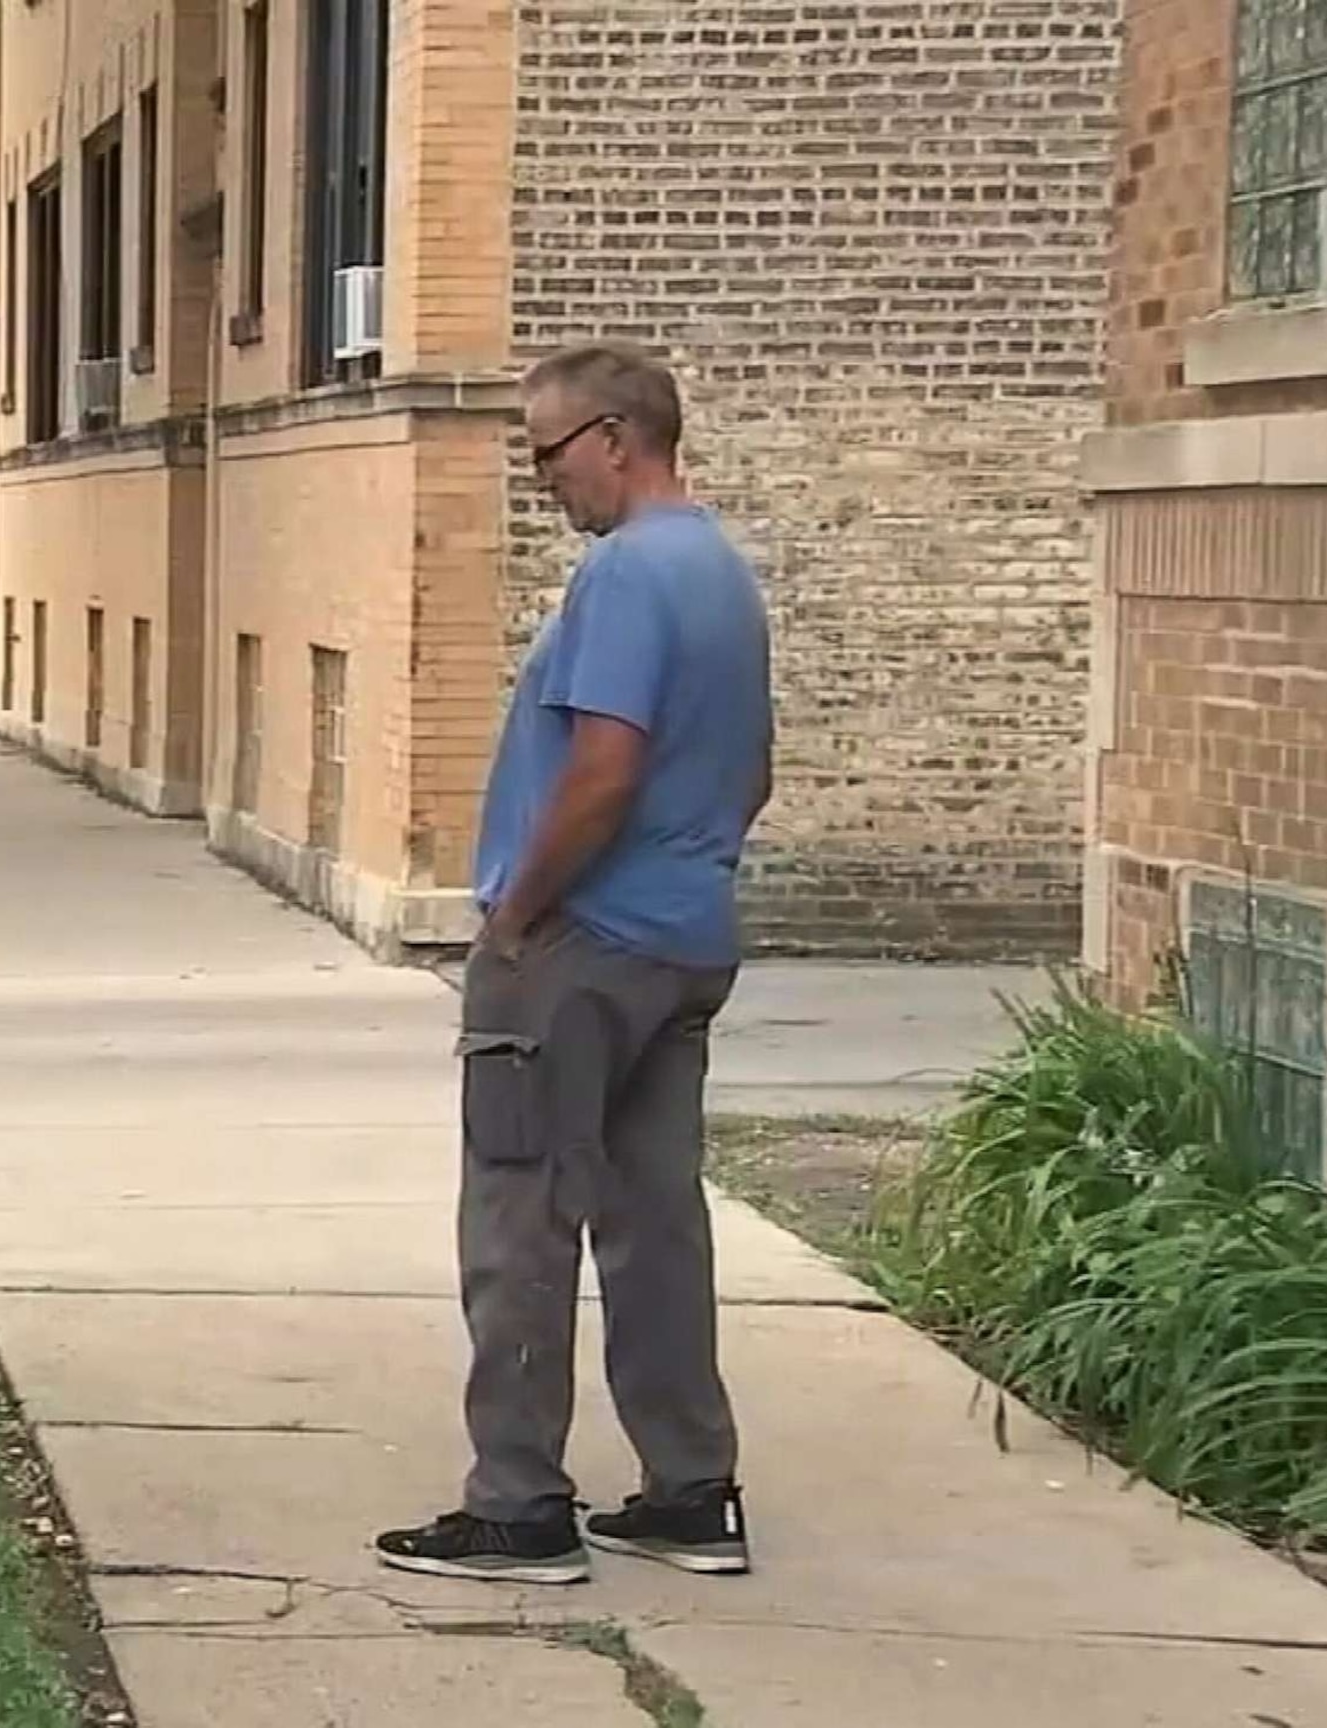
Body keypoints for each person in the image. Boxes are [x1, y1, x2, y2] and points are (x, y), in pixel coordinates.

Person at [375, 342, 775, 1585]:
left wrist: (516, 917)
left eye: (547, 452)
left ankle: (519, 1506)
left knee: (519, 1218)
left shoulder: (627, 577)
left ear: (615, 435)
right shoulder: (721, 574)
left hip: (576, 954)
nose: (543, 478)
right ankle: (690, 1489)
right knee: (656, 1220)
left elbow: (603, 766)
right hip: (685, 940)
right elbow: (752, 770)